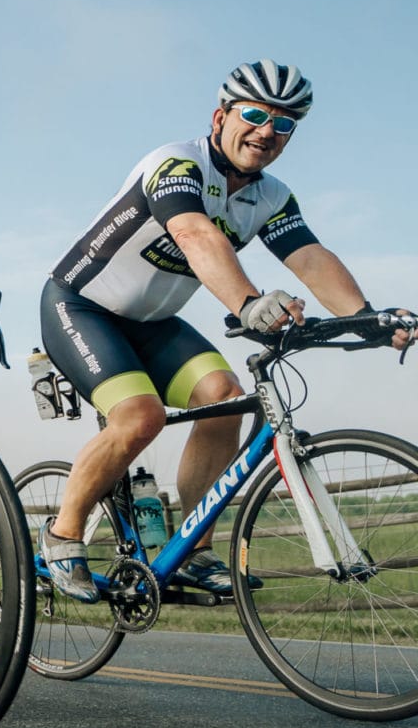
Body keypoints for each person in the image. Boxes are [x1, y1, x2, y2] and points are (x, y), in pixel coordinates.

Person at [39, 60, 412, 602]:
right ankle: (62, 533)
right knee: (140, 417)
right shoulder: (175, 165)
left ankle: (194, 551)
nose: (266, 132)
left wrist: (369, 318)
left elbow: (309, 259)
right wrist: (248, 303)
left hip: (154, 322)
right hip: (81, 307)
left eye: (283, 125)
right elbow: (193, 233)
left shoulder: (271, 197)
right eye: (255, 115)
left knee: (227, 401)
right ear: (221, 116)